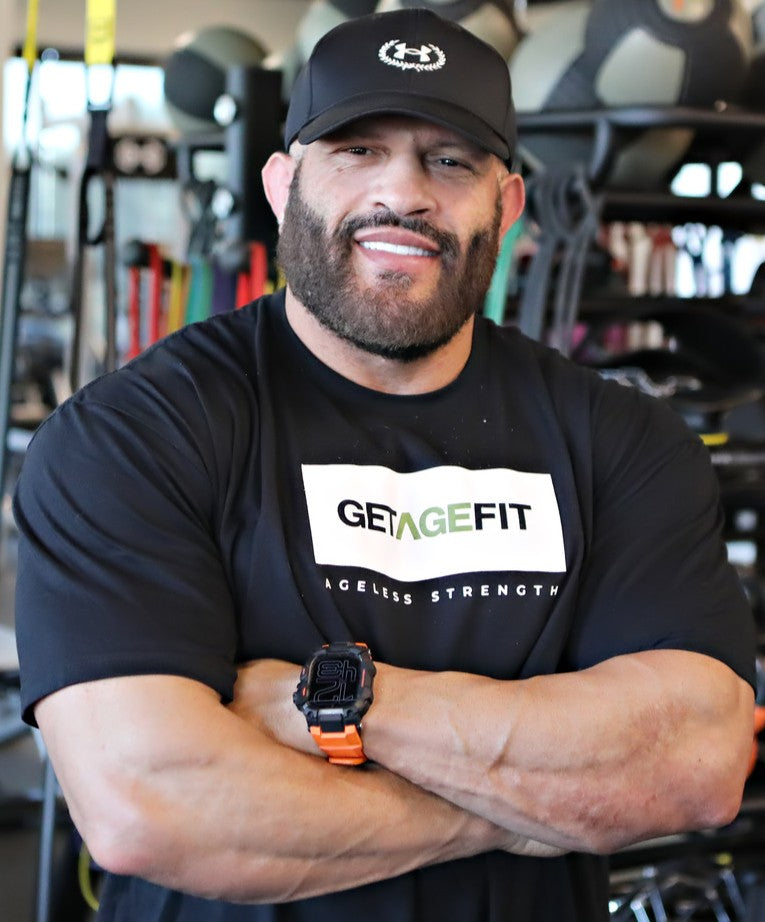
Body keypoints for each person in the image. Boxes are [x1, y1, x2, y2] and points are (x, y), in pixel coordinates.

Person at [13, 8, 756, 922]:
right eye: (356, 150)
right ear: (282, 185)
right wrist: (529, 810)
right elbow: (150, 808)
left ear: (506, 205)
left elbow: (694, 765)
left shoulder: (621, 440)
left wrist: (333, 703)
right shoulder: (133, 435)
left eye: (450, 160)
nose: (402, 191)